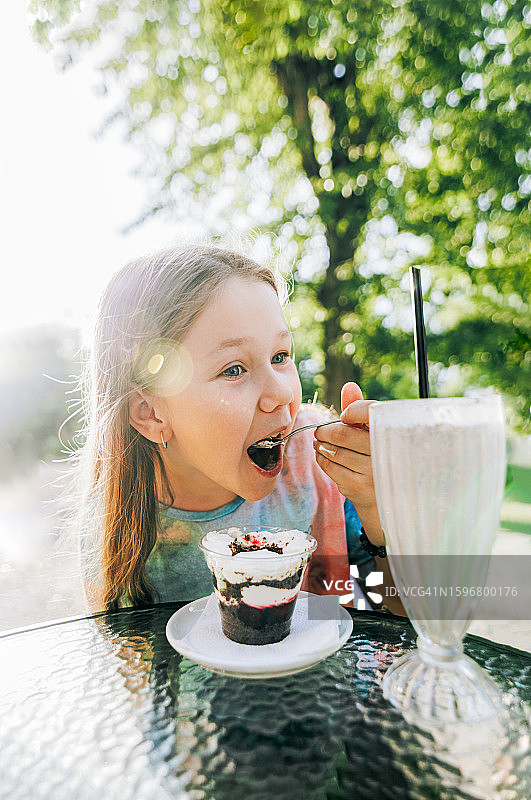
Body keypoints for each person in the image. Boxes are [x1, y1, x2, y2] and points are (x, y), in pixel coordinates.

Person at [78, 243, 394, 612]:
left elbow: (407, 611)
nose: (281, 392)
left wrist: (378, 506)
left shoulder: (321, 465)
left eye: (280, 356)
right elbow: (129, 661)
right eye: (233, 369)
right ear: (151, 413)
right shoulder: (115, 529)